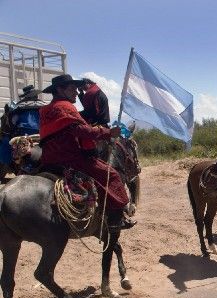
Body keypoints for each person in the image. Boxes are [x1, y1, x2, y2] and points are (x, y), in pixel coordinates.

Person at [39, 74, 134, 230]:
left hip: (48, 160)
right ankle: (115, 220)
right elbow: (82, 131)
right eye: (72, 89)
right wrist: (109, 133)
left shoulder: (46, 110)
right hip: (70, 158)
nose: (77, 93)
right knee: (112, 175)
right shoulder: (64, 107)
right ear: (59, 89)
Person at [0, 85, 47, 170]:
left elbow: (11, 124)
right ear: (35, 95)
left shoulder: (18, 107)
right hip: (44, 135)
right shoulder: (45, 105)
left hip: (24, 136)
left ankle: (7, 162)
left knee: (5, 141)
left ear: (26, 96)